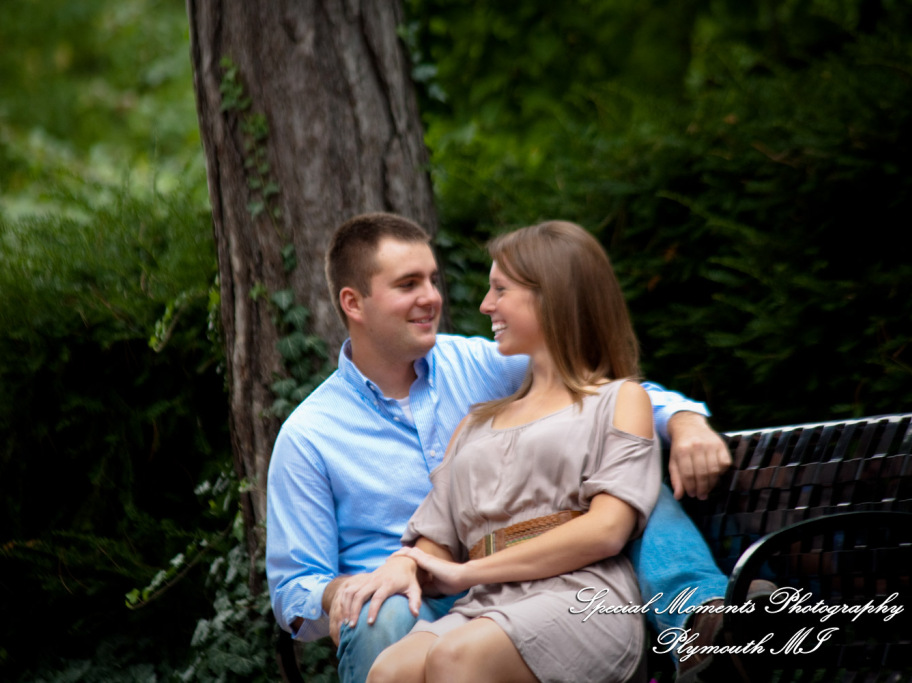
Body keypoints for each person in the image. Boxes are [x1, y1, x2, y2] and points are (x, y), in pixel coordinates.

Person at [266, 213, 733, 683]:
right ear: (354, 302)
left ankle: (701, 610)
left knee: (635, 472)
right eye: (408, 284)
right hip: (415, 593)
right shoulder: (310, 434)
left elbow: (599, 392)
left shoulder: (484, 365)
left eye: (432, 279)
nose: (432, 297)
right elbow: (293, 591)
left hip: (542, 577)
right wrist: (365, 583)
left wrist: (684, 419)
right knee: (380, 614)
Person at [367, 220, 659, 682]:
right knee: (390, 671)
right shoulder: (477, 422)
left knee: (458, 657)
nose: (486, 306)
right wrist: (407, 562)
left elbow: (607, 530)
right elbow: (436, 537)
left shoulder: (618, 401)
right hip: (489, 603)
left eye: (500, 289)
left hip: (581, 597)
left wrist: (468, 573)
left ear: (553, 296)